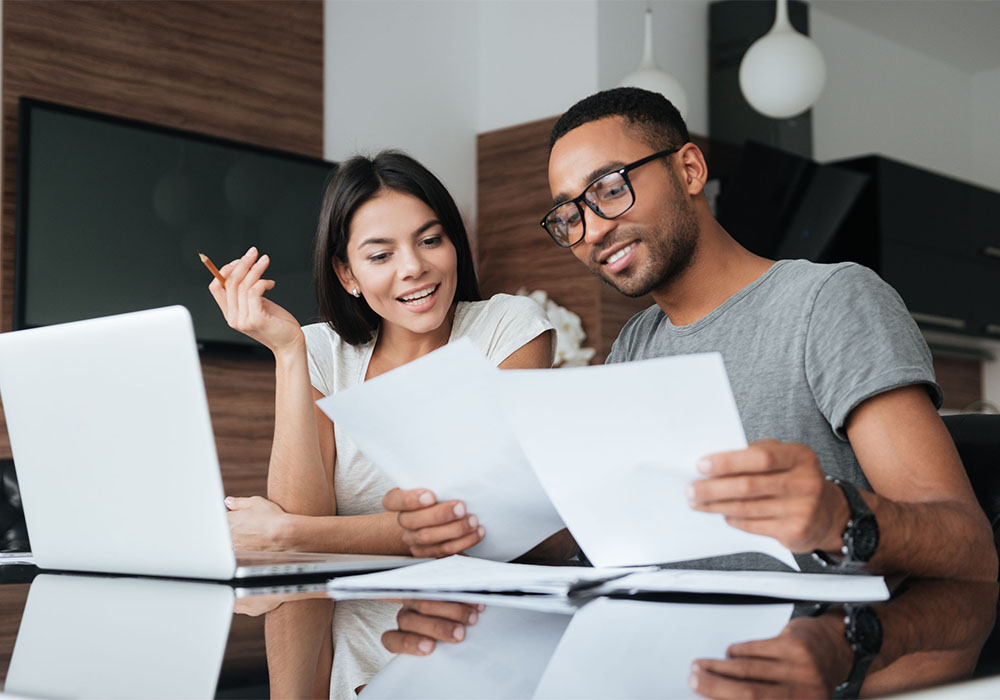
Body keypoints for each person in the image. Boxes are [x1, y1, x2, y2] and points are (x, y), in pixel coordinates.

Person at [386, 87, 997, 583]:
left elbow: (968, 545)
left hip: (822, 657)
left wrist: (840, 516)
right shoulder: (634, 344)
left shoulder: (830, 300)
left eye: (609, 189)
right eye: (569, 215)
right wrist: (469, 528)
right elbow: (606, 538)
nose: (592, 230)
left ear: (689, 168)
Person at [207, 150, 556, 698]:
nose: (413, 267)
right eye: (380, 254)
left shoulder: (508, 330)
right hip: (355, 674)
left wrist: (287, 534)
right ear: (347, 274)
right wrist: (288, 352)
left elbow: (476, 524)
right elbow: (303, 566)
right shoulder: (321, 351)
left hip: (483, 663)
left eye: (430, 239)